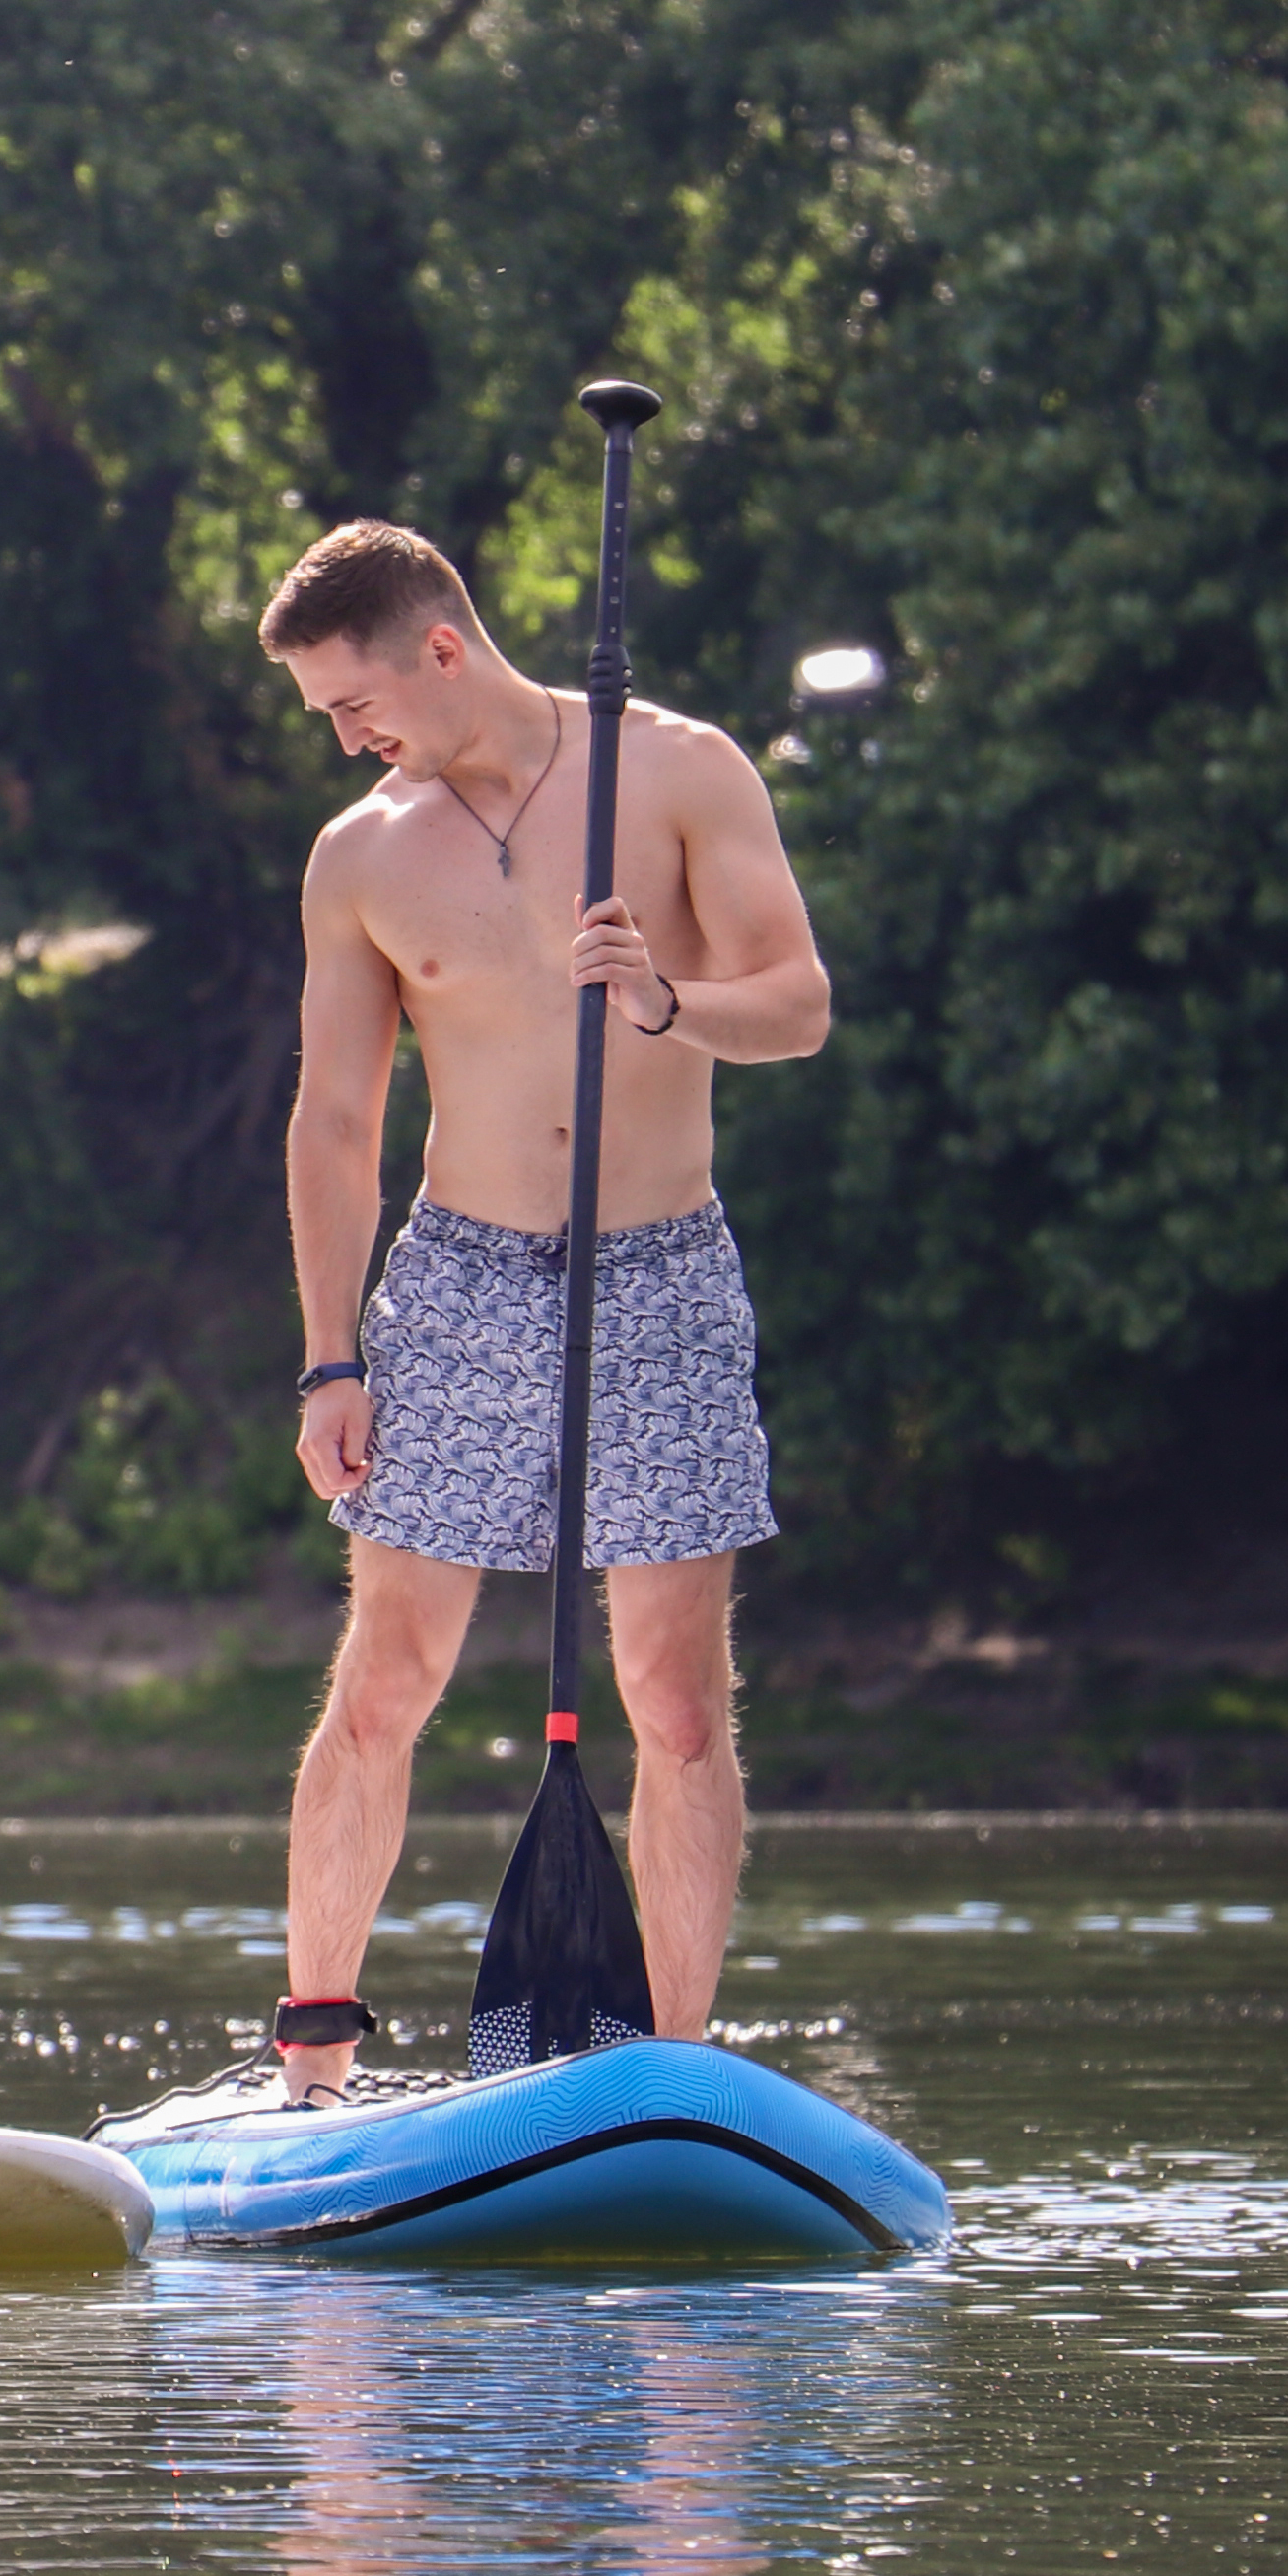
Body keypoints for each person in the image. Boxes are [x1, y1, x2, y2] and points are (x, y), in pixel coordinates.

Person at [254, 519, 827, 2087]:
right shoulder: (362, 853)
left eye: (350, 700)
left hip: (662, 1269)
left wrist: (663, 999)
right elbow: (334, 1122)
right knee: (385, 1678)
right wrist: (329, 1357)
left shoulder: (681, 772)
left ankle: (678, 2069)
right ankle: (315, 2053)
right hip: (459, 1278)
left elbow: (798, 1002)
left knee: (676, 1698)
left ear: (441, 647)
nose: (343, 734)